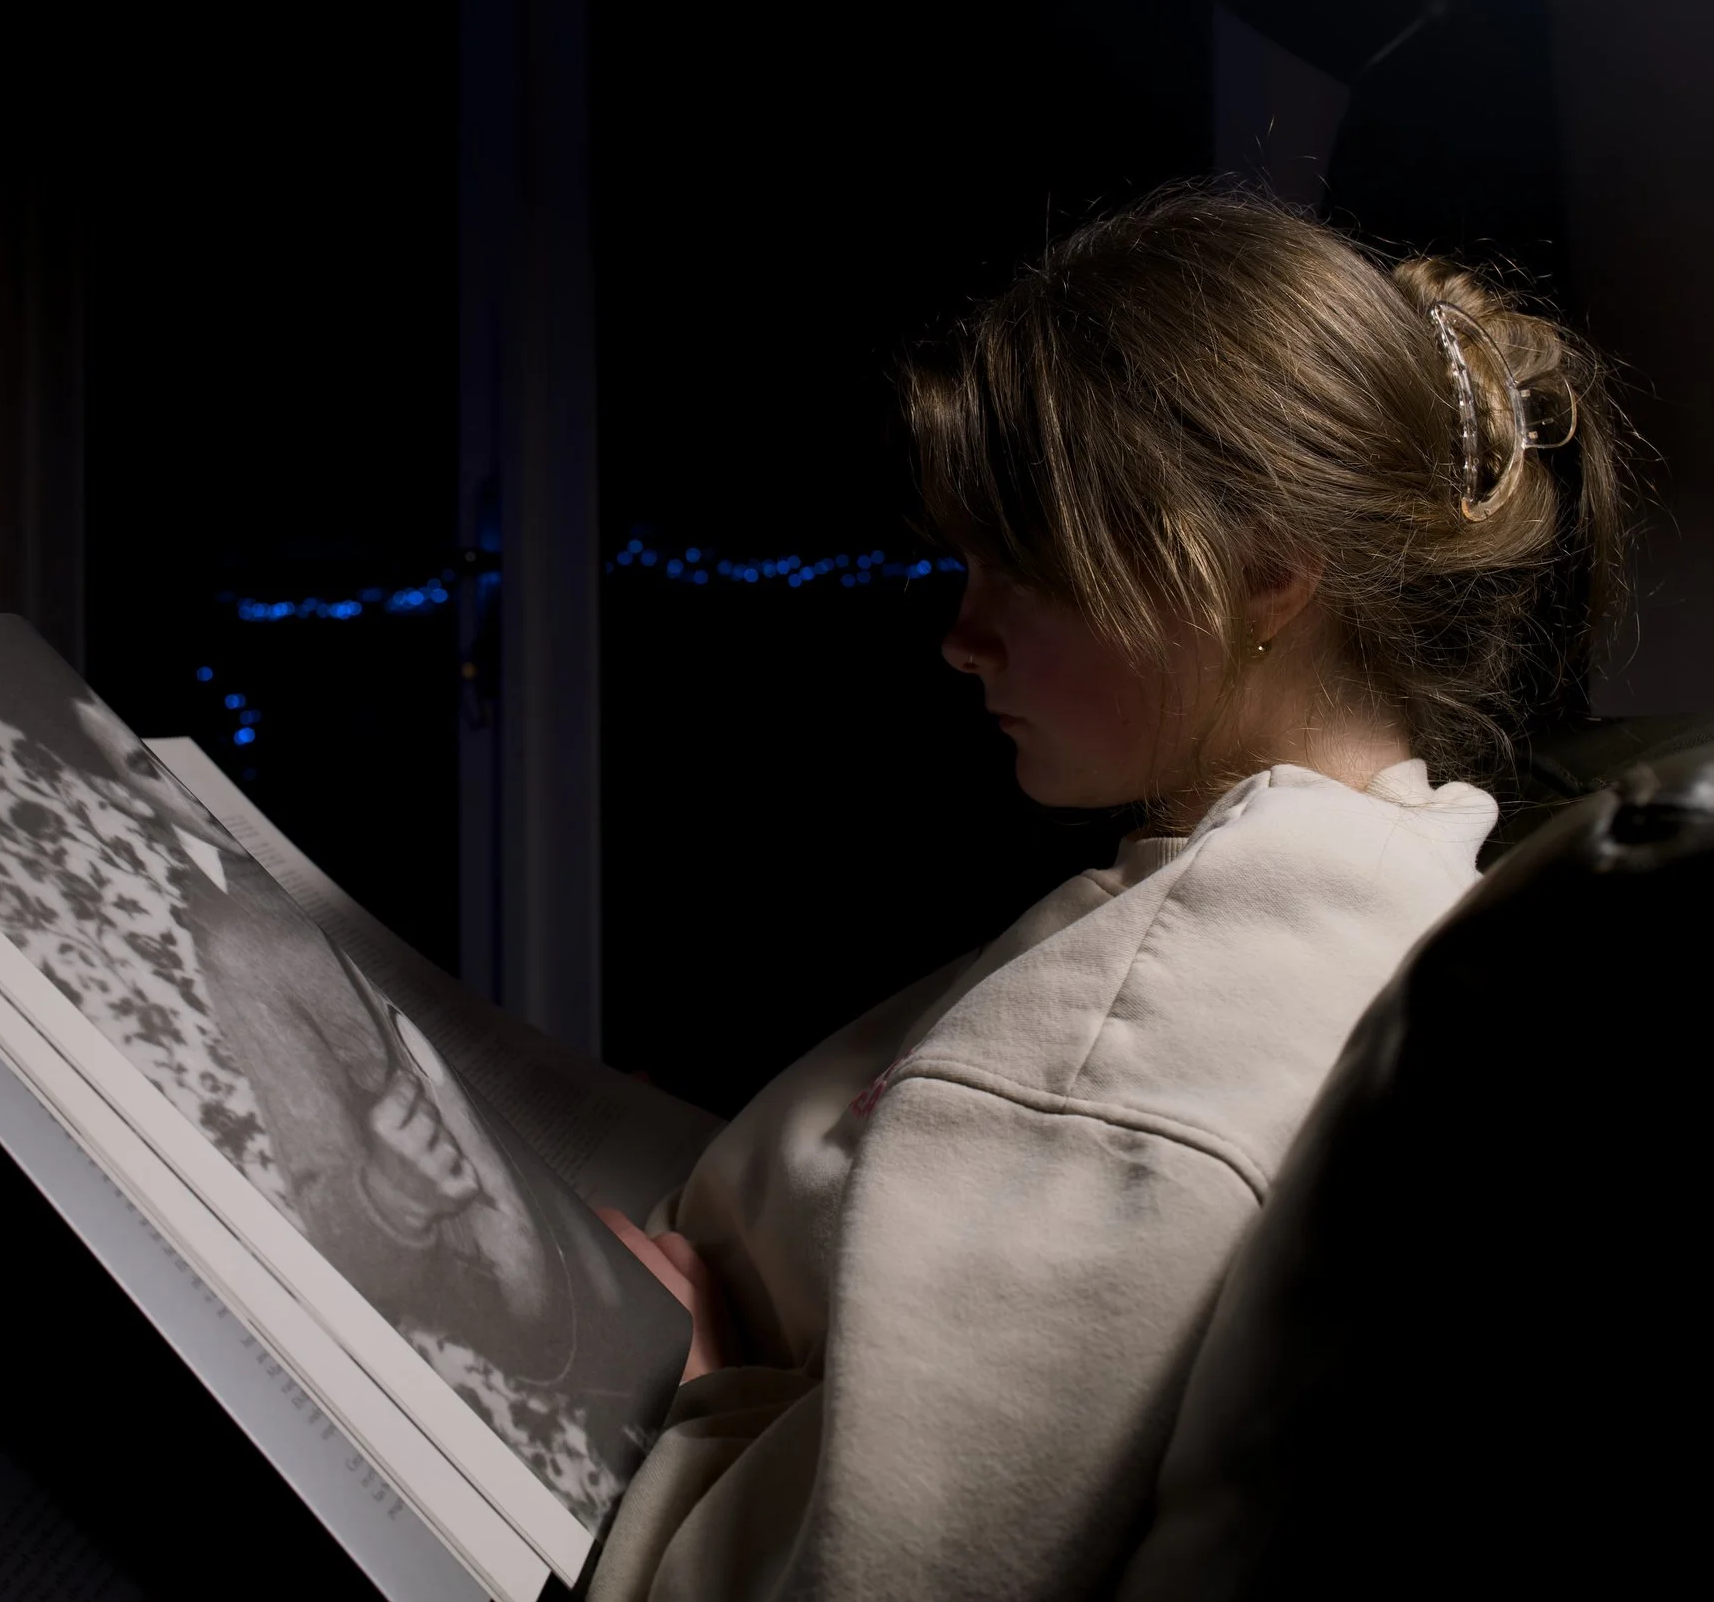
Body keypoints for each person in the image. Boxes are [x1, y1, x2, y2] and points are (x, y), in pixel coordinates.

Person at [583, 189, 1630, 1600]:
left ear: (1260, 572)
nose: (961, 637)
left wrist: (702, 1395)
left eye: (1023, 566)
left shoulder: (1161, 1034)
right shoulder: (1375, 875)